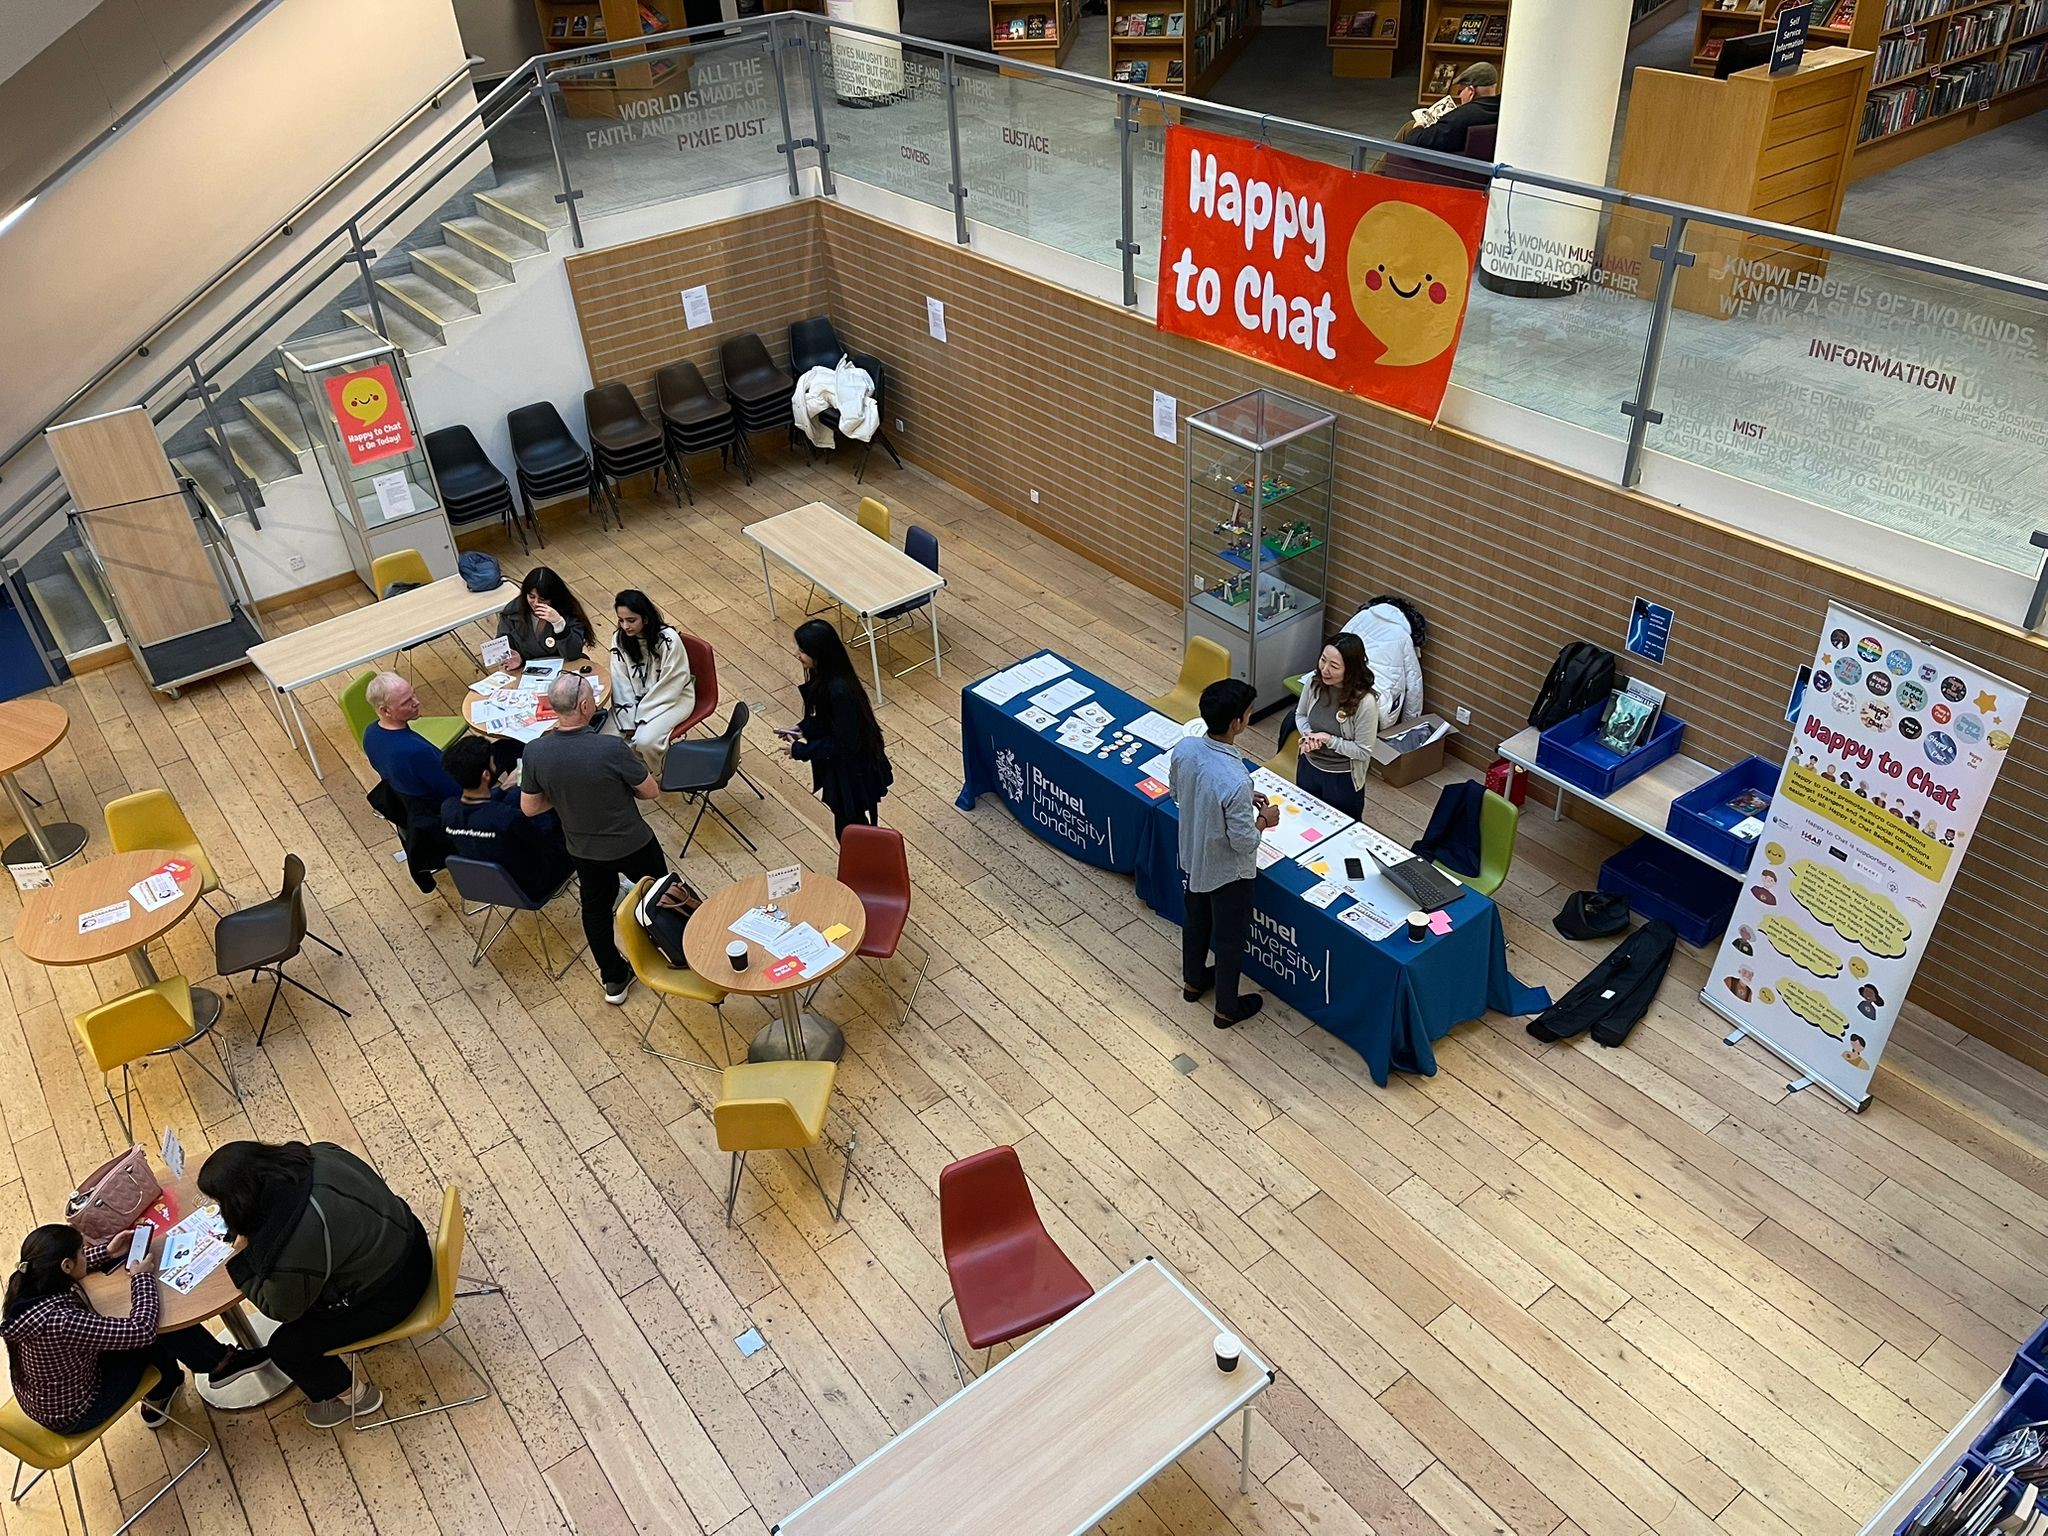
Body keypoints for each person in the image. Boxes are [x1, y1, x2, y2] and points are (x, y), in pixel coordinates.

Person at [197, 1141, 431, 1429]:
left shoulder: (295, 1241)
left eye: (222, 1203)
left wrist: (244, 1259)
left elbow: (280, 1309)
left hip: (394, 1293)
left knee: (287, 1347)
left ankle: (355, 1398)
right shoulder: (317, 1153)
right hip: (408, 1238)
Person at [1, 1224, 237, 1435]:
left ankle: (166, 1386)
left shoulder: (26, 1285)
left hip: (45, 1399)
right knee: (155, 1326)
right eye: (82, 1252)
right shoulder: (61, 1322)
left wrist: (107, 1252)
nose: (85, 1254)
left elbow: (71, 1268)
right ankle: (219, 1364)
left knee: (141, 1321)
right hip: (81, 1410)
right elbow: (141, 1330)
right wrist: (142, 1277)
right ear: (66, 1265)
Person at [521, 673, 666, 1003]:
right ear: (586, 706)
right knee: (661, 895)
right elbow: (651, 792)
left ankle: (614, 980)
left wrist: (563, 796)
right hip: (632, 843)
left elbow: (529, 807)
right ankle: (680, 949)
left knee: (596, 910)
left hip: (584, 850)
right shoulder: (610, 747)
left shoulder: (535, 752)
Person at [1168, 678, 1278, 1029]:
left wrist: (1241, 802)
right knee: (1230, 940)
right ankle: (1227, 1007)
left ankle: (1193, 980)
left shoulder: (1185, 749)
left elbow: (1178, 794)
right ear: (1237, 724)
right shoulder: (1235, 779)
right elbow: (1245, 842)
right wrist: (1263, 819)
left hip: (1193, 856)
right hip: (1228, 873)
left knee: (1196, 920)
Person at [781, 619, 892, 839]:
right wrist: (803, 728)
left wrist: (800, 751)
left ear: (819, 653)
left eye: (802, 650)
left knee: (851, 831)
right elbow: (827, 720)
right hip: (846, 769)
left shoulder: (839, 691)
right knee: (851, 828)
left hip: (853, 773)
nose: (797, 654)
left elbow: (844, 743)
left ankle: (861, 868)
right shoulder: (829, 679)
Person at [440, 734, 574, 900]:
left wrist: (504, 788)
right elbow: (542, 843)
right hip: (534, 884)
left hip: (486, 880)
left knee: (516, 794)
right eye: (492, 761)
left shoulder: (448, 809)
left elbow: (479, 809)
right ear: (486, 775)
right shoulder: (508, 819)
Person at [362, 671, 459, 889]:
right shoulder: (415, 752)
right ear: (385, 711)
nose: (417, 703)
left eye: (413, 695)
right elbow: (456, 791)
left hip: (411, 803)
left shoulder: (370, 734)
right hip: (442, 810)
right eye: (407, 702)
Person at [606, 590, 695, 774]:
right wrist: (629, 721)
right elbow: (620, 681)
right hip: (635, 703)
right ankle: (630, 774)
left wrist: (641, 716)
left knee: (645, 741)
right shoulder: (619, 638)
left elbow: (673, 682)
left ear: (645, 618)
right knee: (605, 740)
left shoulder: (668, 639)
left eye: (631, 620)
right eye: (621, 620)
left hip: (673, 698)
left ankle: (653, 773)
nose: (625, 626)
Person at [1293, 633, 1378, 819]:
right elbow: (1300, 715)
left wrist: (1328, 740)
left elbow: (1363, 751)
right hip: (1309, 766)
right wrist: (1309, 736)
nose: (1325, 670)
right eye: (1323, 660)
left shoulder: (1366, 702)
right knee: (1303, 821)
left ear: (1351, 669)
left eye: (1334, 666)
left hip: (1342, 778)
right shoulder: (1314, 683)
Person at [1342, 595, 1426, 727]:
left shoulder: (1360, 617)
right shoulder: (1403, 637)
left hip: (1342, 683)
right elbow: (1414, 685)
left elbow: (1336, 647)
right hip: (1378, 700)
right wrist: (1409, 725)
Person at [498, 566, 591, 667]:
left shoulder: (569, 611)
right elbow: (502, 644)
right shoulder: (513, 612)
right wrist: (514, 659)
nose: (536, 603)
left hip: (564, 667)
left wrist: (559, 624)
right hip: (525, 668)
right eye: (531, 597)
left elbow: (573, 654)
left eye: (542, 599)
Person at [1403, 63, 1500, 154]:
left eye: (1460, 90)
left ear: (1471, 91)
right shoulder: (1502, 110)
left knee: (1409, 127)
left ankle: (1388, 166)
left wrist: (1418, 127)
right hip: (1479, 163)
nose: (1459, 95)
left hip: (1446, 164)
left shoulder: (1461, 117)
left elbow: (1416, 141)